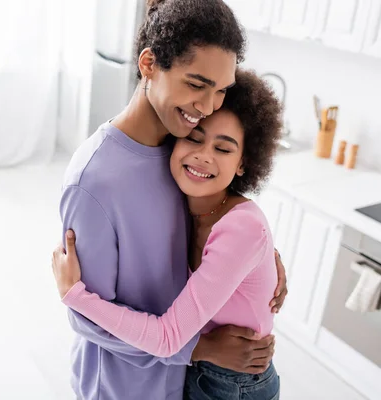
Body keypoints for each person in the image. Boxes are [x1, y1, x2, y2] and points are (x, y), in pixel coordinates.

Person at [57, 0, 287, 399]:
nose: (207, 106)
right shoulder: (94, 181)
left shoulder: (178, 147)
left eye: (220, 90)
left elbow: (207, 227)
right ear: (148, 65)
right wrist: (199, 349)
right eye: (197, 85)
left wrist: (262, 262)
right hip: (123, 385)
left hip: (178, 380)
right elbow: (86, 317)